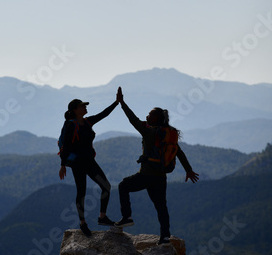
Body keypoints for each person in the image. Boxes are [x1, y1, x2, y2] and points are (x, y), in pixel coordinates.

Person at [113, 87, 199, 245]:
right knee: (161, 207)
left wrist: (122, 103)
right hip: (161, 177)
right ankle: (165, 236)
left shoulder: (149, 132)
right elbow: (179, 152)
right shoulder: (168, 133)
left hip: (146, 175)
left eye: (150, 114)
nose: (147, 116)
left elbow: (133, 119)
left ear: (156, 118)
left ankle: (127, 217)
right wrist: (189, 170)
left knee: (123, 186)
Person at [59, 98, 119, 237]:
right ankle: (82, 223)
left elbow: (104, 114)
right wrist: (63, 165)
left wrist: (117, 102)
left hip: (90, 162)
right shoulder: (71, 125)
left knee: (106, 186)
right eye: (82, 106)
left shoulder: (87, 121)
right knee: (81, 192)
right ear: (75, 110)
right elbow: (66, 147)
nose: (85, 107)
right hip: (78, 164)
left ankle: (102, 217)